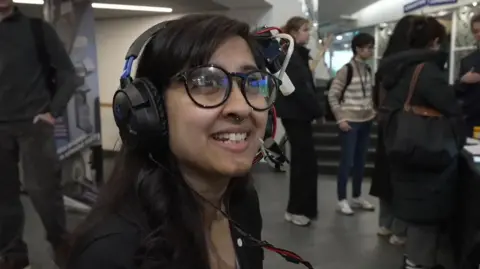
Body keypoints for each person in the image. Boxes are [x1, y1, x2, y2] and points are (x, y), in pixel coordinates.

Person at [66, 14, 278, 269]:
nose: (242, 107)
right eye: (206, 81)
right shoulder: (113, 253)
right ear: (150, 110)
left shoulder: (241, 202)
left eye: (253, 81)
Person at [376, 15, 465, 269]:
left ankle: (413, 262)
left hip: (405, 152)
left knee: (416, 224)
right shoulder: (428, 72)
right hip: (430, 160)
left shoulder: (397, 69)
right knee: (425, 227)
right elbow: (452, 111)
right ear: (435, 42)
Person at [0, 1, 77, 268]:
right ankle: (13, 255)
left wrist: (52, 112)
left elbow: (68, 74)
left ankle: (60, 245)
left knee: (43, 192)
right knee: (3, 196)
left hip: (33, 124)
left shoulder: (35, 29)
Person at [370, 16, 417, 246]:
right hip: (405, 125)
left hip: (385, 124)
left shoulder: (387, 60)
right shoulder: (412, 63)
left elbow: (377, 94)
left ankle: (385, 223)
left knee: (385, 173)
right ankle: (400, 228)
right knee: (401, 177)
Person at [275, 16, 323, 226]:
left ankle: (297, 208)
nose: (308, 33)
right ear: (293, 33)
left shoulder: (294, 55)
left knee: (305, 163)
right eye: (305, 29)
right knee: (305, 164)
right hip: (296, 114)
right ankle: (297, 210)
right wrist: (317, 110)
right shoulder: (291, 57)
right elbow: (301, 90)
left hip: (297, 114)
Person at [328, 33, 376, 215]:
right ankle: (342, 199)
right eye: (368, 47)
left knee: (360, 161)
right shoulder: (346, 69)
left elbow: (368, 94)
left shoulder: (368, 69)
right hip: (350, 122)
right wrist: (341, 118)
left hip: (366, 120)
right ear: (358, 49)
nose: (371, 51)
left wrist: (372, 111)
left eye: (372, 47)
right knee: (347, 162)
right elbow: (332, 95)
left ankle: (356, 196)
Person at [455, 13, 480, 137]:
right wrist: (462, 80)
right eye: (476, 31)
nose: (479, 34)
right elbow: (458, 90)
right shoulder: (468, 61)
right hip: (473, 122)